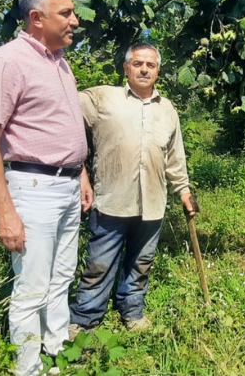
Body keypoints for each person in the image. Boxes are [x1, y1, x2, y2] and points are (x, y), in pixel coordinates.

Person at [0, 0, 93, 376]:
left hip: (67, 185)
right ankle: (28, 368)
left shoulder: (59, 62)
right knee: (32, 286)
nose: (75, 20)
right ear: (36, 18)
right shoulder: (6, 63)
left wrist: (80, 173)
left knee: (62, 276)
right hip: (34, 187)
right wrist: (5, 211)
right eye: (66, 13)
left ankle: (57, 350)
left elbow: (61, 125)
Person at [69, 43, 196, 337]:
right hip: (112, 200)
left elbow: (175, 157)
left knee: (141, 263)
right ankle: (85, 317)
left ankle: (132, 310)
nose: (144, 70)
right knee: (99, 264)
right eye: (138, 64)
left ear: (158, 70)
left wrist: (184, 191)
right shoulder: (101, 98)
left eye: (151, 65)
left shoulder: (167, 109)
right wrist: (79, 169)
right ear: (126, 68)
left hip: (152, 202)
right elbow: (64, 116)